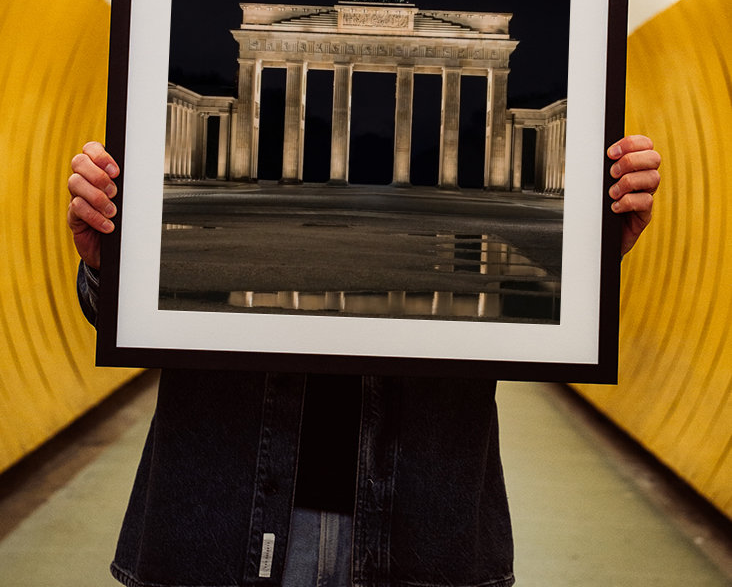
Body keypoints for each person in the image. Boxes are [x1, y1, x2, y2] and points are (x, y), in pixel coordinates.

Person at [68, 135, 660, 587]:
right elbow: (128, 316)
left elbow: (540, 321)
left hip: (424, 529)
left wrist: (587, 258)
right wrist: (110, 264)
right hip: (217, 520)